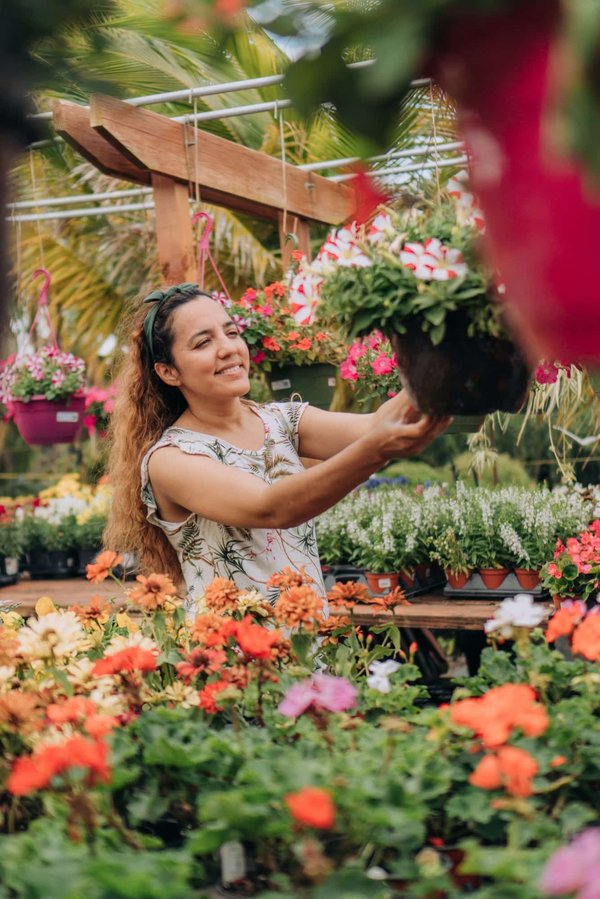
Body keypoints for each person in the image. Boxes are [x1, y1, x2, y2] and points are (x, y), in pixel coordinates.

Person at [105, 283, 450, 615]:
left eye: (231, 332)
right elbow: (273, 507)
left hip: (306, 638)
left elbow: (373, 426)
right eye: (203, 343)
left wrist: (446, 352)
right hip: (236, 659)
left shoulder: (280, 420)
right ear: (168, 372)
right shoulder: (171, 459)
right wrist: (375, 451)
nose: (228, 348)